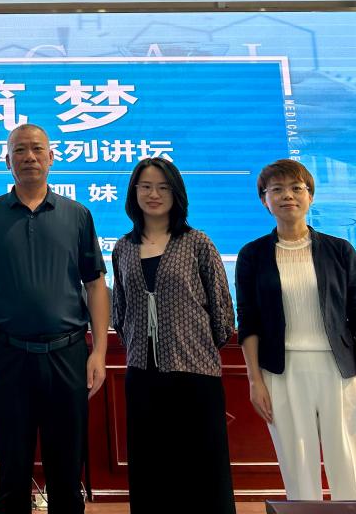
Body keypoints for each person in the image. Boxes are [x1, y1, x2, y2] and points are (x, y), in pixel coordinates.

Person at [0, 123, 110, 514]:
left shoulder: (77, 215)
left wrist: (99, 352)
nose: (29, 157)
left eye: (37, 149)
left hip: (68, 354)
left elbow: (96, 285)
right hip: (7, 355)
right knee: (12, 470)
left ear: (51, 157)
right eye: (20, 150)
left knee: (67, 470)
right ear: (7, 160)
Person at [236, 159, 356, 501]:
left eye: (296, 188)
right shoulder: (253, 255)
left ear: (310, 196)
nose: (287, 196)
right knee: (298, 469)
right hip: (281, 372)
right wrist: (255, 381)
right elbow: (248, 321)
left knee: (350, 466)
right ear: (264, 200)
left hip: (341, 370)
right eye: (277, 189)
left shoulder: (340, 250)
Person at [110, 158, 236, 513]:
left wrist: (191, 345)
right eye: (146, 187)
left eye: (163, 187)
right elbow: (120, 311)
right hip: (142, 376)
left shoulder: (197, 242)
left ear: (176, 193)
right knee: (151, 469)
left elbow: (222, 311)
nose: (154, 194)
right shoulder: (123, 248)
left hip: (195, 375)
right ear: (134, 193)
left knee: (203, 470)